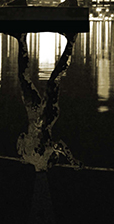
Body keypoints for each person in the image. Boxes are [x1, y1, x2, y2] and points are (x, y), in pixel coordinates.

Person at [13, 32, 82, 172]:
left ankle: (21, 39)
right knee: (52, 80)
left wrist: (71, 160)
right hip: (45, 115)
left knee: (25, 79)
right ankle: (71, 41)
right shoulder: (34, 155)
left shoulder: (33, 155)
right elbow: (58, 146)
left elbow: (22, 137)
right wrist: (72, 161)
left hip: (34, 113)